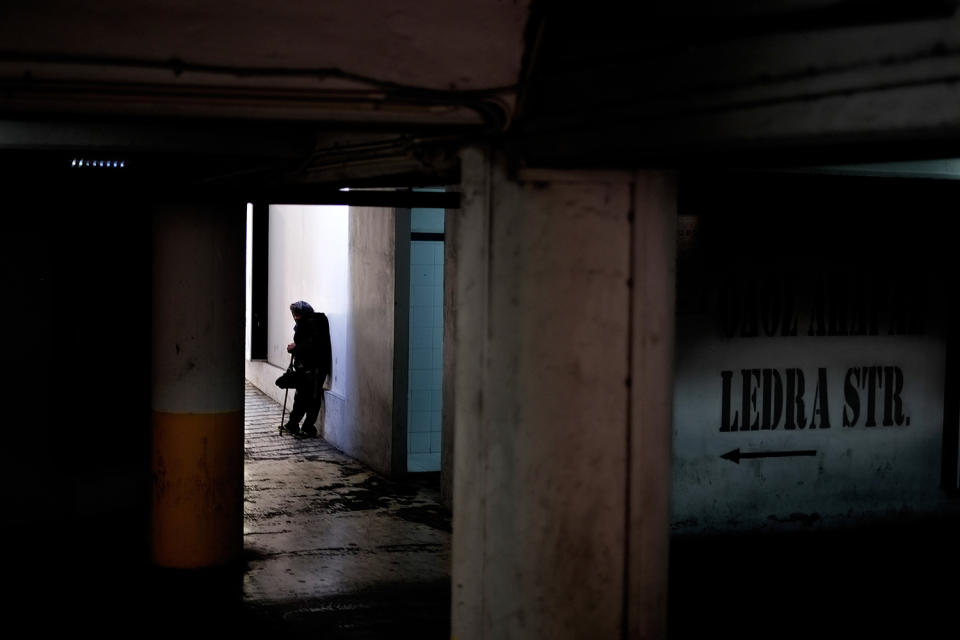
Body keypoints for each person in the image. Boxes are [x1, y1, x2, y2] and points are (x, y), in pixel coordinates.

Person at [282, 300, 332, 437]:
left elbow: (313, 345)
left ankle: (308, 427)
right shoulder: (306, 323)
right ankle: (293, 424)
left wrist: (295, 348)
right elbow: (306, 342)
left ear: (303, 312)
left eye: (296, 313)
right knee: (301, 396)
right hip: (305, 367)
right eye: (293, 314)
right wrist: (296, 347)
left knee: (312, 397)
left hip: (315, 368)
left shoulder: (314, 322)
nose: (294, 316)